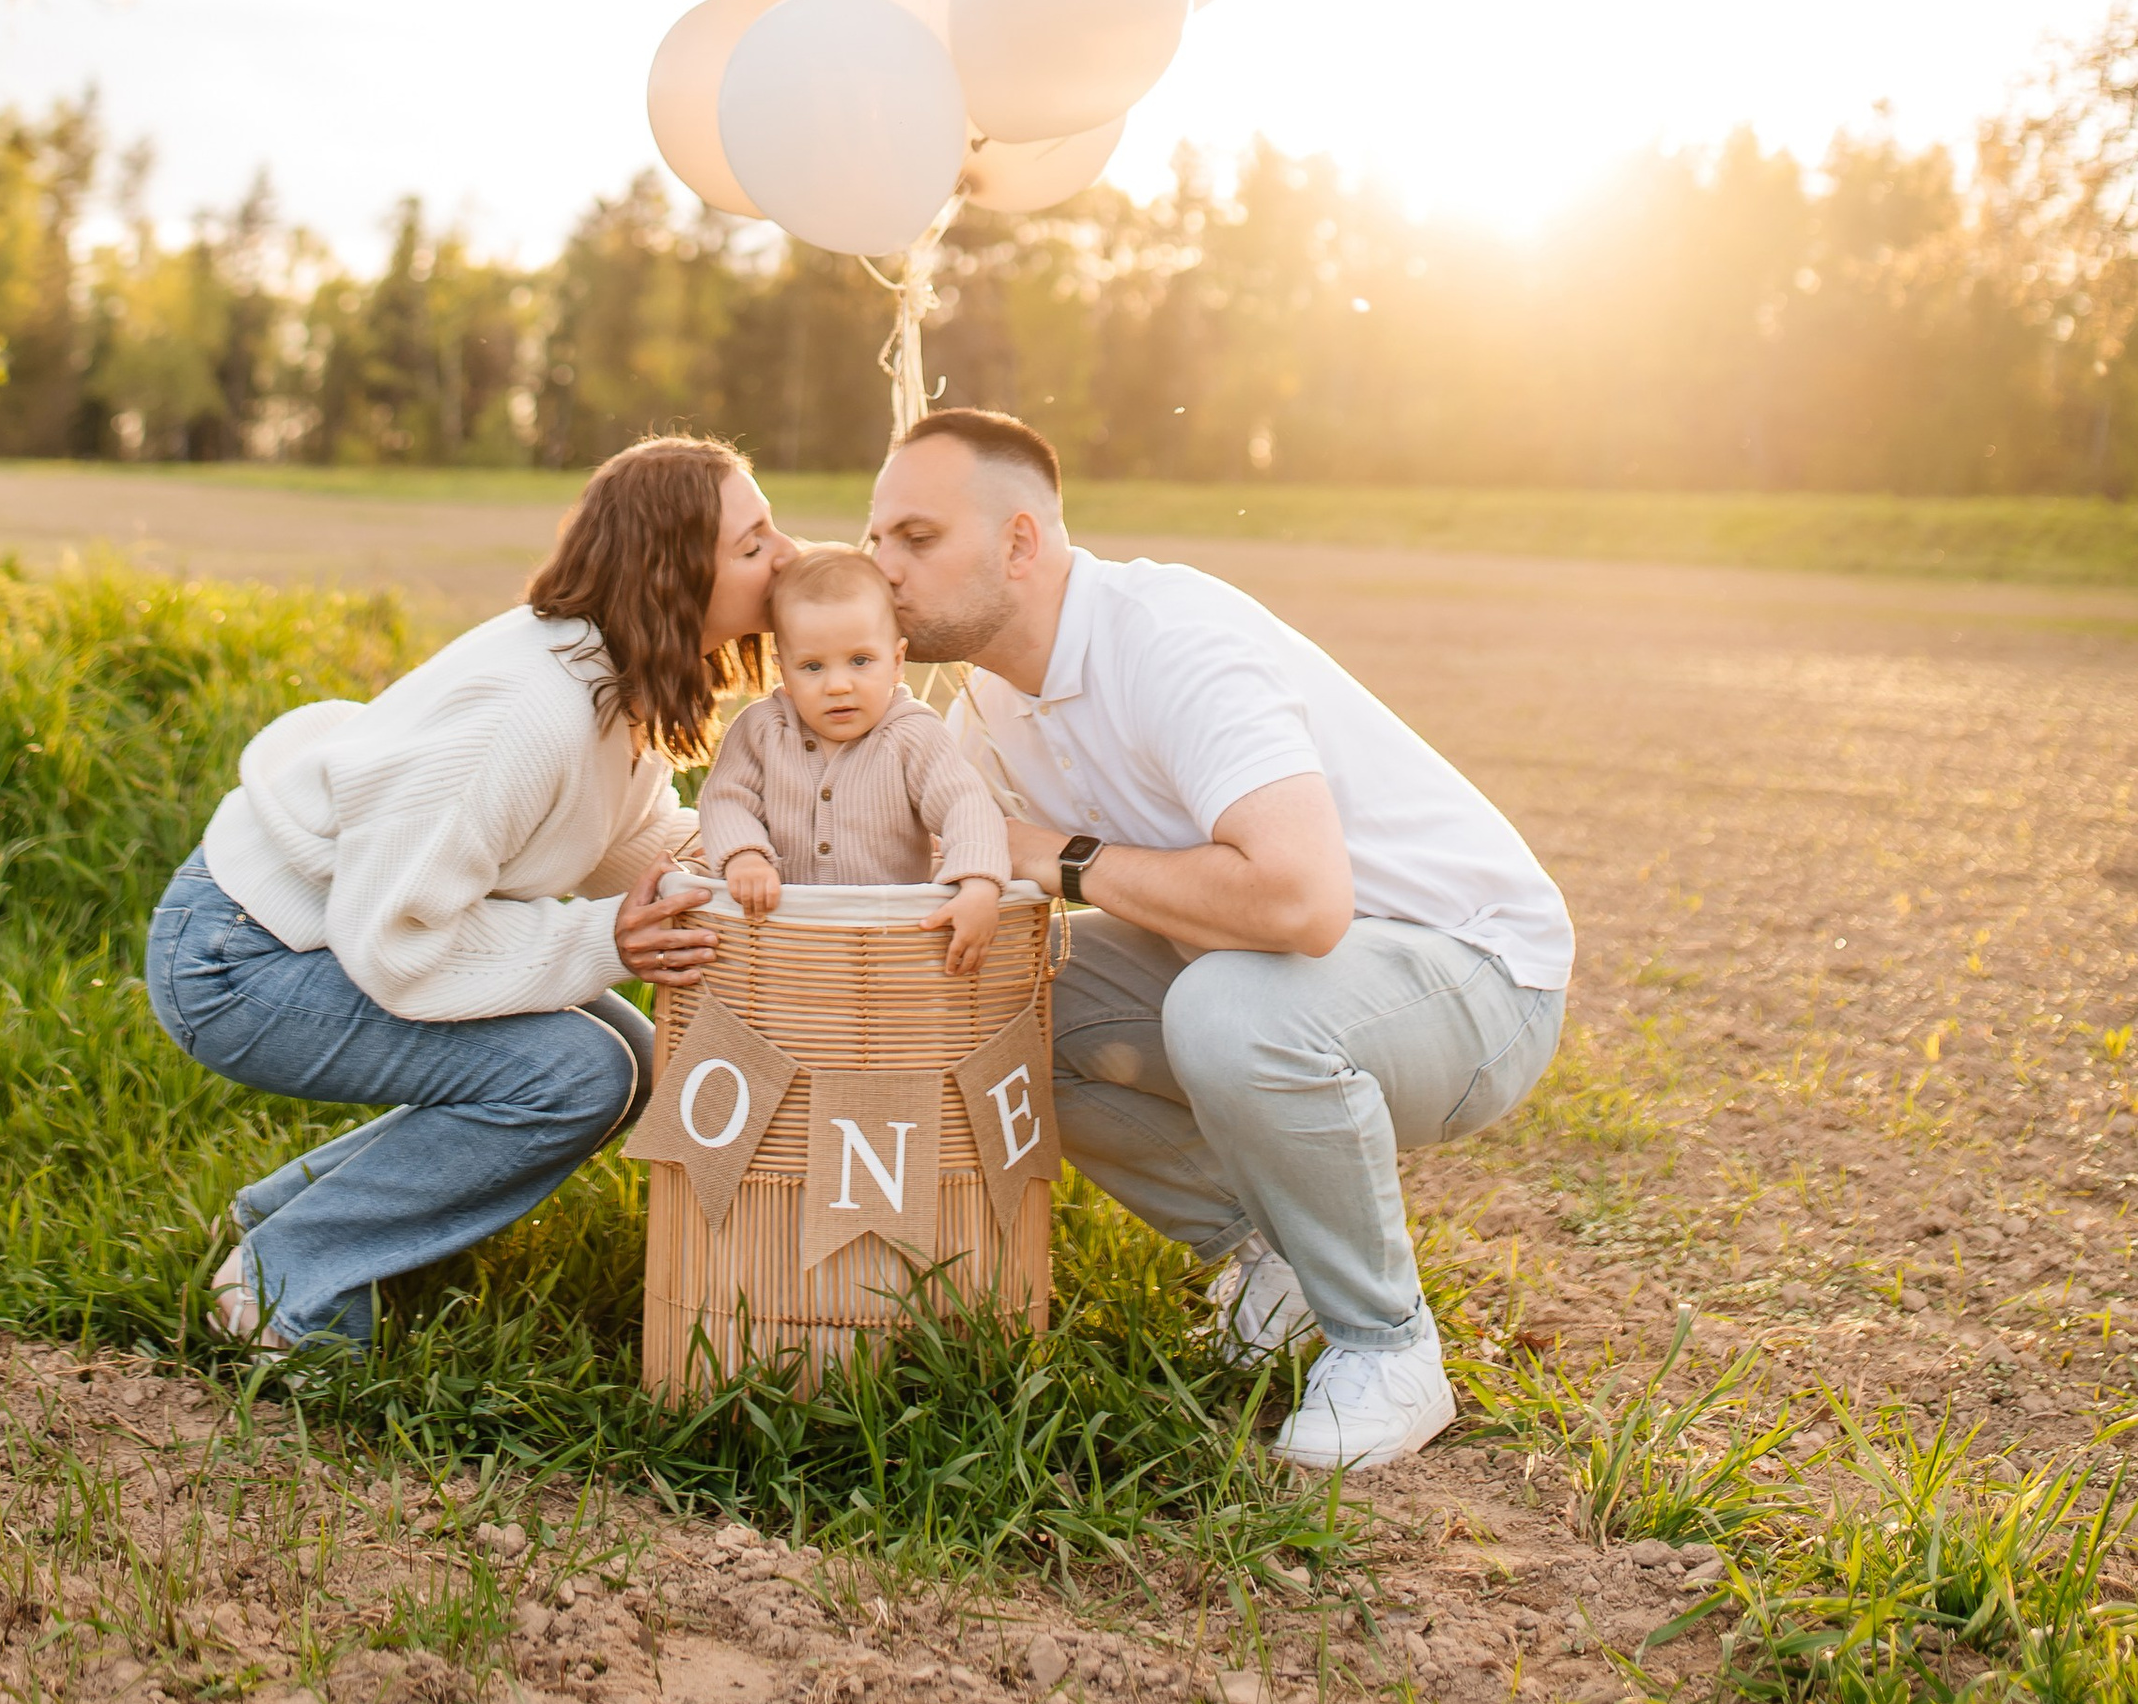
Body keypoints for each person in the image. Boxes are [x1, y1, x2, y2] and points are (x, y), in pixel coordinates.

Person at [866, 407, 1572, 1469]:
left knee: (1229, 1009)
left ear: (1019, 541)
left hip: (1476, 978)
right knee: (1002, 1001)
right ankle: (1277, 1268)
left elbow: (1299, 902)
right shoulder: (985, 707)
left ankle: (1387, 1347)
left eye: (916, 538)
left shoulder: (1169, 636)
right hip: (1286, 976)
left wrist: (1052, 854)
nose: (882, 568)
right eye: (875, 539)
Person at [143, 436, 790, 1350]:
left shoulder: (610, 674)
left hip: (320, 934)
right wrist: (605, 941)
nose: (787, 556)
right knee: (578, 1075)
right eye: (754, 544)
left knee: (638, 1059)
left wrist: (780, 860)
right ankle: (280, 1289)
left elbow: (629, 842)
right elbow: (398, 938)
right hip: (241, 959)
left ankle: (277, 1219)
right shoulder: (526, 712)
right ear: (672, 574)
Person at [695, 544, 1015, 974]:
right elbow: (726, 798)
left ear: (897, 661)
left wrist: (978, 883)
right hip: (784, 941)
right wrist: (744, 856)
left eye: (860, 661)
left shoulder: (911, 733)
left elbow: (964, 805)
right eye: (812, 667)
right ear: (783, 670)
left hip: (889, 944)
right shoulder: (764, 729)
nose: (838, 685)